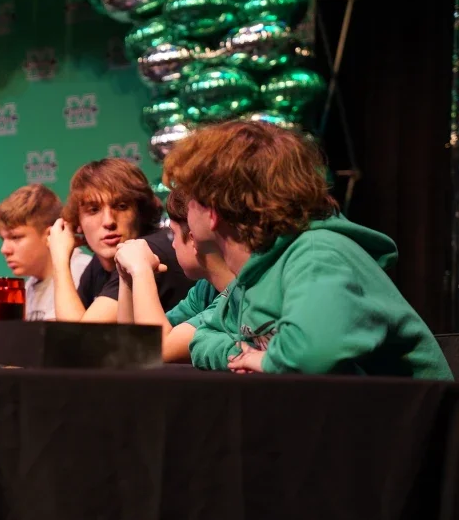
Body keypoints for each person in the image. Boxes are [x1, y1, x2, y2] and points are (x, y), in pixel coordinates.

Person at [165, 119, 451, 380]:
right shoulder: (254, 271)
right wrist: (240, 355)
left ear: (213, 211)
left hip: (409, 426)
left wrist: (266, 361)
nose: (185, 207)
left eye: (192, 199)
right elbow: (202, 338)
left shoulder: (317, 253)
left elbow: (315, 352)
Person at [49, 157, 194, 323]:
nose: (108, 221)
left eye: (121, 206)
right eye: (94, 210)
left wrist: (59, 259)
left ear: (141, 212)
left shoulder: (148, 250)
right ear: (77, 222)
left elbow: (78, 337)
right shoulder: (99, 263)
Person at [115, 188, 234, 362]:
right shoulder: (205, 289)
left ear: (193, 239)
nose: (173, 245)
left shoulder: (236, 293)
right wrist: (127, 280)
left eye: (173, 234)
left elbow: (157, 347)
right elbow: (131, 345)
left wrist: (141, 271)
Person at [0, 185, 91, 323]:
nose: (4, 249)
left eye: (15, 237)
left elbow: (56, 338)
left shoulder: (82, 270)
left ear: (50, 235)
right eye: (3, 239)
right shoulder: (30, 285)